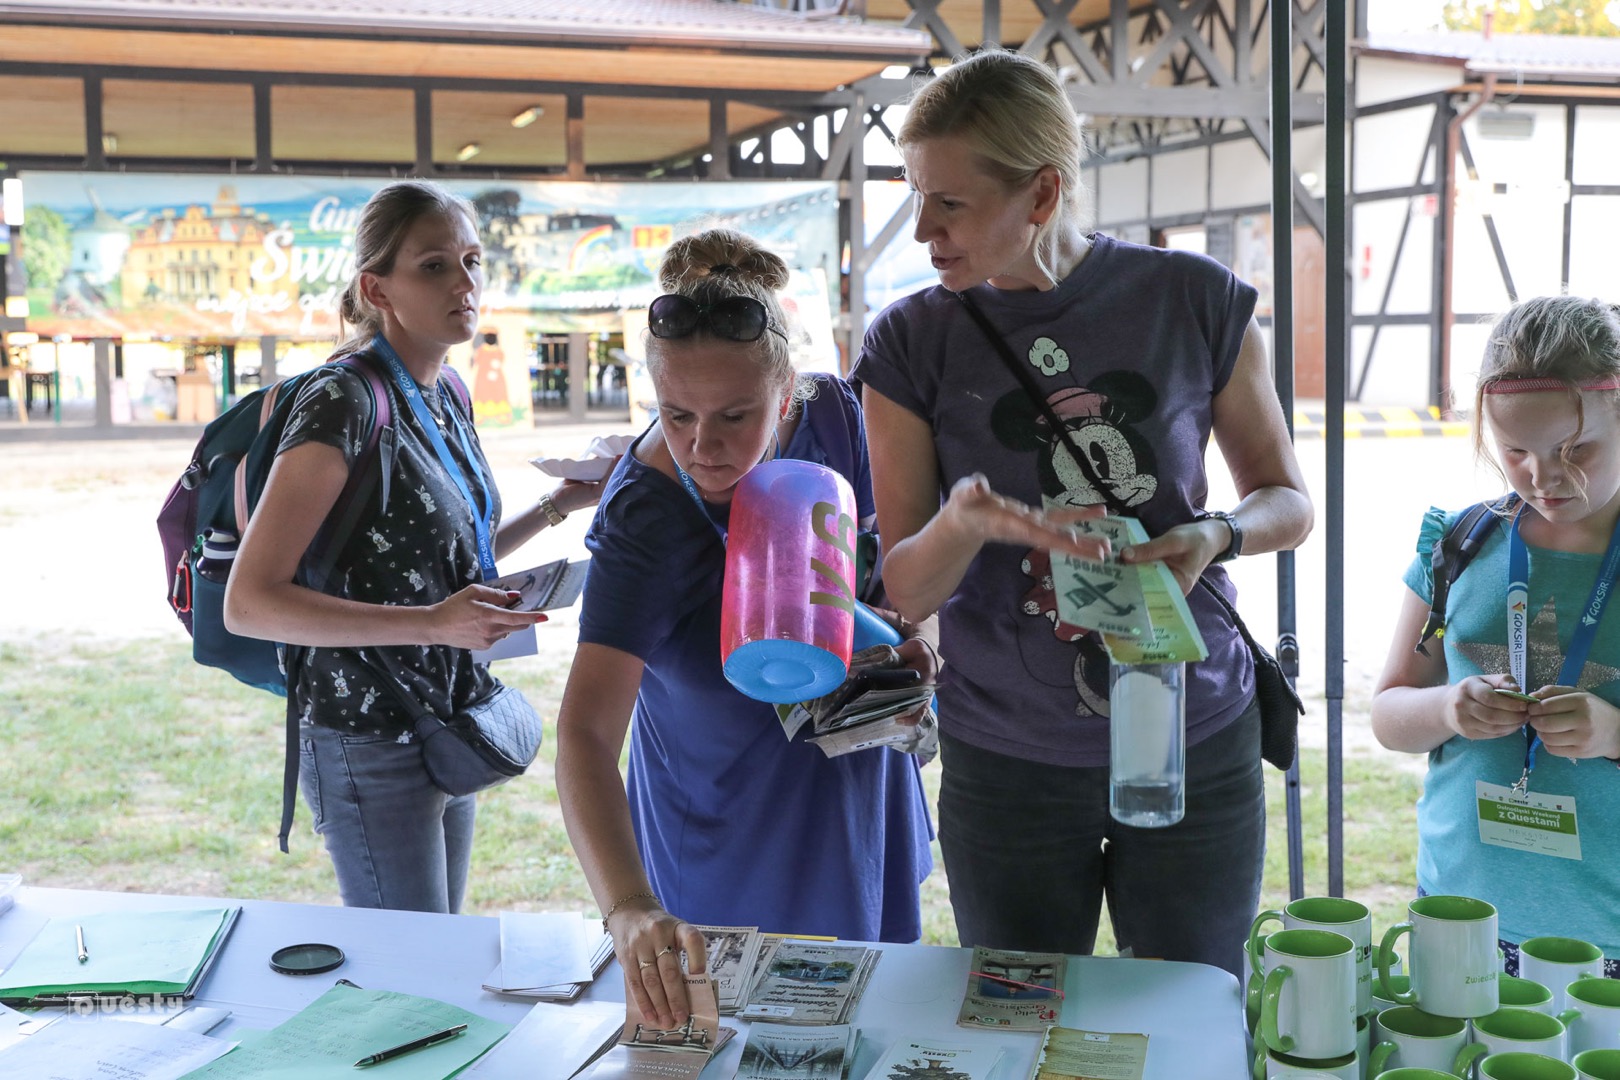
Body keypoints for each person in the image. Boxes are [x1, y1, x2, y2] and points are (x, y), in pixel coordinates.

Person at [850, 48, 1313, 980]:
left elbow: (1288, 503)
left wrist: (1212, 538)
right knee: (1019, 1015)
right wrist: (966, 524)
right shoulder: (910, 340)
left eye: (949, 203)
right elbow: (899, 585)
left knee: (1190, 1004)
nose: (923, 231)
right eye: (914, 196)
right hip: (1006, 757)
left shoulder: (1195, 299)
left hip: (1191, 730)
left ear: (1042, 195)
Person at [554, 228, 935, 1028]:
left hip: (854, 794)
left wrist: (910, 652)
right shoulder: (645, 521)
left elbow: (888, 581)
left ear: (788, 392)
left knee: (869, 1026)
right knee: (747, 1035)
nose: (705, 446)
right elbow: (586, 734)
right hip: (726, 824)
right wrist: (627, 906)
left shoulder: (836, 416)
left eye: (735, 415)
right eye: (676, 416)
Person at [225, 180, 601, 914]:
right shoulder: (345, 399)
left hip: (444, 714)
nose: (465, 283)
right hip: (367, 737)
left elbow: (441, 559)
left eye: (472, 260)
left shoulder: (446, 391)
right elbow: (251, 600)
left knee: (438, 941)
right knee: (407, 965)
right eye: (434, 266)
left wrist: (561, 504)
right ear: (378, 288)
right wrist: (432, 625)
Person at [1371, 295, 1620, 973]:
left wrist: (1611, 732)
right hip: (1460, 912)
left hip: (1608, 937)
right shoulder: (1461, 543)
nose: (1545, 476)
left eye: (1579, 450)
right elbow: (1391, 715)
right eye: (1516, 451)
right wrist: (1449, 708)